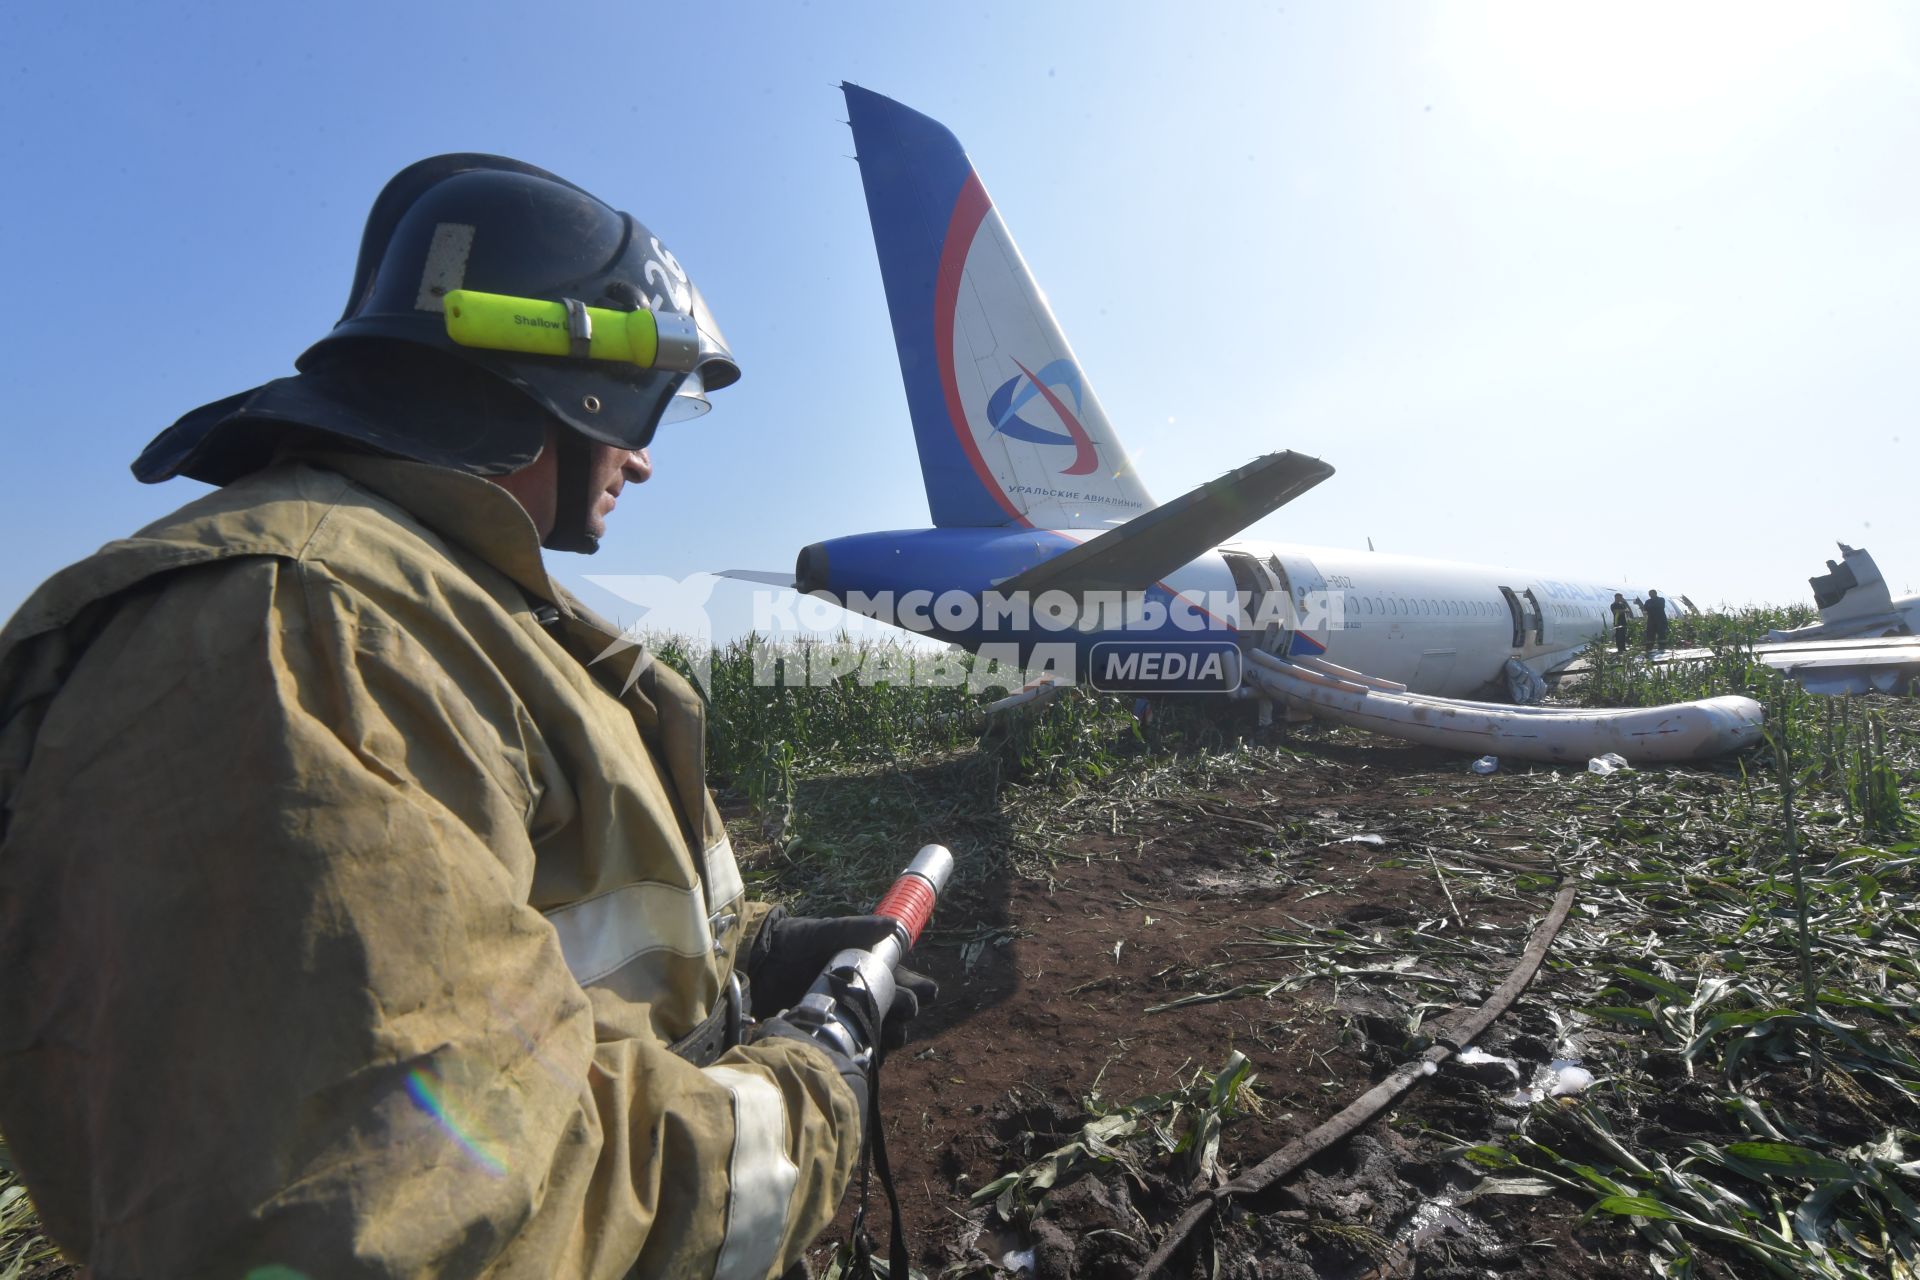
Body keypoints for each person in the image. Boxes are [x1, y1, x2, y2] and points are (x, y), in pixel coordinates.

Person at [0, 154, 928, 1279]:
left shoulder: (428, 606)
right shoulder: (301, 635)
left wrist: (750, 964)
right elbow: (421, 1219)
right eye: (644, 410)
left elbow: (528, 949)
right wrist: (807, 1101)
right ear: (556, 376)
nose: (640, 456)